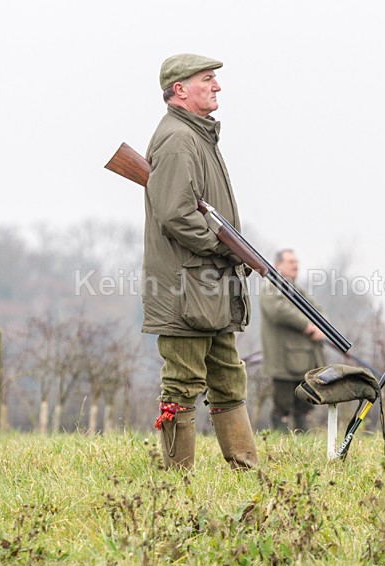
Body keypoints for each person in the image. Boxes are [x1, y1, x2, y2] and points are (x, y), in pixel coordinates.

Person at [143, 53, 257, 470]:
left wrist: (226, 250)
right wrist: (224, 245)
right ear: (180, 89)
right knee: (182, 383)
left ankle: (246, 473)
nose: (217, 86)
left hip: (209, 286)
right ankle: (176, 485)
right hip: (184, 289)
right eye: (207, 79)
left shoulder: (197, 136)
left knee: (228, 377)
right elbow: (175, 214)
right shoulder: (178, 139)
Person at [260, 249, 326, 431]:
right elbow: (278, 311)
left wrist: (322, 326)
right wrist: (308, 326)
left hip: (303, 358)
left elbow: (317, 309)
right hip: (283, 359)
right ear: (277, 265)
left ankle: (302, 444)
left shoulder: (296, 289)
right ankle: (279, 444)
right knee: (283, 404)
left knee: (304, 404)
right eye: (290, 261)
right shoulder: (271, 286)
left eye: (296, 261)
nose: (295, 265)